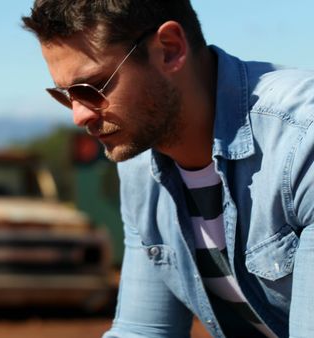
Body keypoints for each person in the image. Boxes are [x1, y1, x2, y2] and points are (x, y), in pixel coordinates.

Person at [22, 1, 314, 337]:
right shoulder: (139, 164)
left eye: (93, 87)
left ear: (170, 50)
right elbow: (143, 330)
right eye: (66, 95)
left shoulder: (302, 140)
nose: (79, 116)